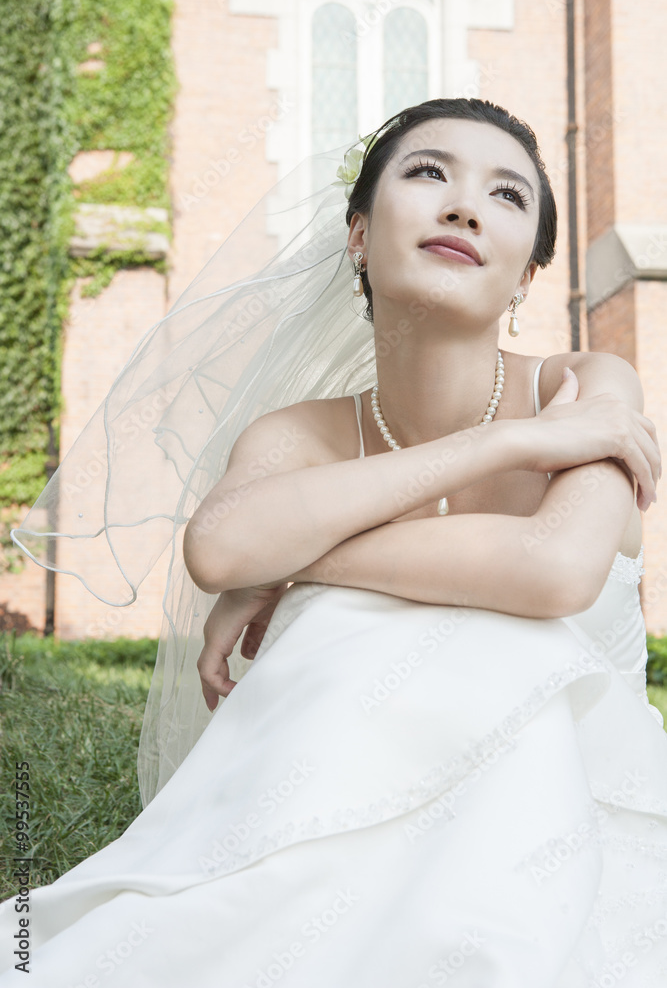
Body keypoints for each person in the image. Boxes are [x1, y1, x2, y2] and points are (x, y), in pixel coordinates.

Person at [1, 97, 666, 987]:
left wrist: (292, 567)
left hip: (570, 813)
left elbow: (551, 570)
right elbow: (218, 552)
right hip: (317, 808)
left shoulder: (590, 385)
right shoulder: (296, 435)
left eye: (507, 195)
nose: (464, 206)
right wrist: (507, 444)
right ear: (357, 233)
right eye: (428, 173)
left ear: (526, 278)